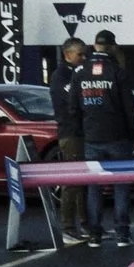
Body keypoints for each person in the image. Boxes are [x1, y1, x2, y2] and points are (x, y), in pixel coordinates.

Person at [74, 37, 134, 248]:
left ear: (94, 46)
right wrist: (133, 137)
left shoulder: (80, 72)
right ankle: (122, 234)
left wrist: (83, 131)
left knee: (94, 187)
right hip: (118, 136)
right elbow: (131, 109)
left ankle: (94, 234)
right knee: (121, 185)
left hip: (92, 137)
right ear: (112, 47)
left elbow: (73, 107)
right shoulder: (118, 72)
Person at [49, 37, 91, 247]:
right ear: (67, 54)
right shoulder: (61, 75)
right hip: (70, 133)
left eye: (85, 54)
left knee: (84, 181)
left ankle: (85, 223)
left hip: (83, 132)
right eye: (79, 54)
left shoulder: (80, 73)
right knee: (72, 181)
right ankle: (68, 227)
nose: (84, 58)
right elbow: (77, 98)